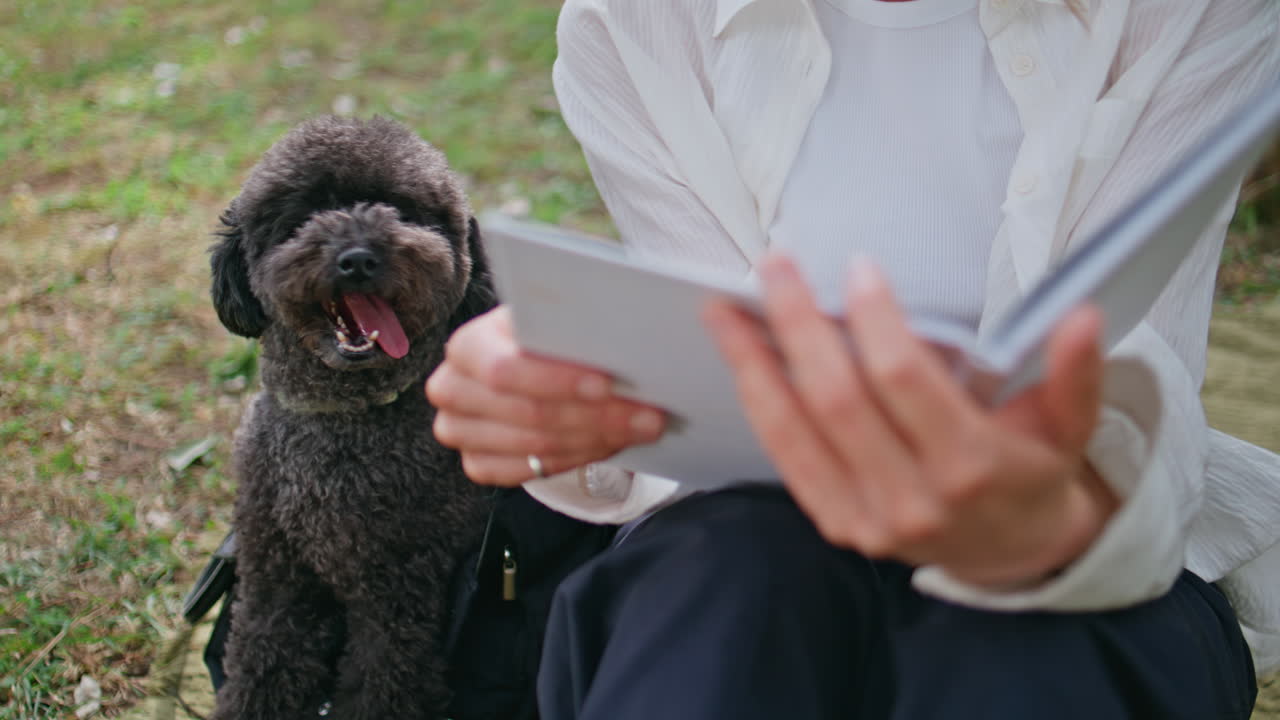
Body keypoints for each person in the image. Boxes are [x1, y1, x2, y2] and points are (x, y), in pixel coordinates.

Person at [426, 0, 1280, 717]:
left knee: (1025, 655)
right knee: (718, 601)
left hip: (1090, 521)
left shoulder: (1196, 12)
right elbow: (707, 359)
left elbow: (1135, 379)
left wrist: (1047, 513)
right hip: (756, 517)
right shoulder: (635, 20)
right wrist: (588, 393)